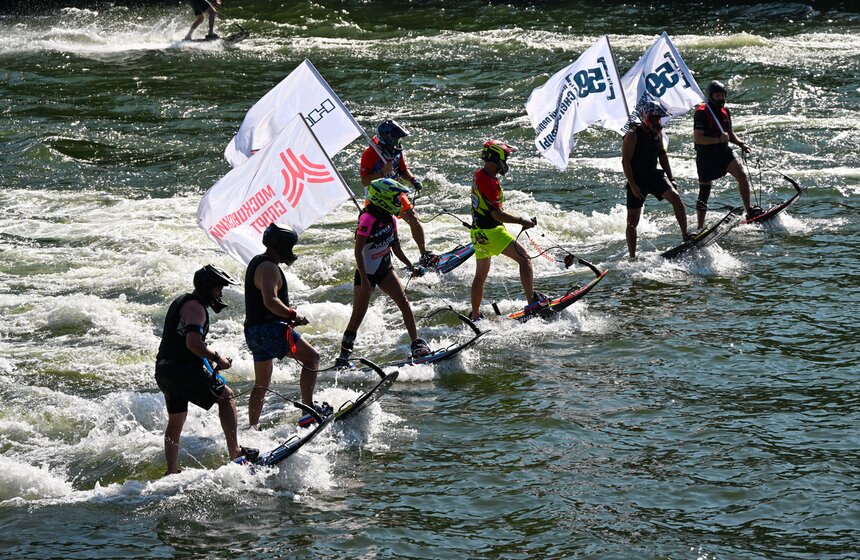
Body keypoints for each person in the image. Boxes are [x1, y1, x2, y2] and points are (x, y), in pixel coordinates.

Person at [155, 264, 255, 475]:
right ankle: (236, 453)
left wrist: (210, 363)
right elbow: (194, 344)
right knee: (226, 396)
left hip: (165, 369)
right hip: (181, 369)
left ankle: (171, 470)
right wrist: (218, 357)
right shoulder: (196, 308)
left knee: (176, 420)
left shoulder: (183, 301)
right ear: (207, 288)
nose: (220, 293)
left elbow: (186, 343)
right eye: (218, 288)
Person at [335, 178, 432, 367]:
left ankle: (416, 343)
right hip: (367, 273)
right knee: (358, 316)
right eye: (396, 198)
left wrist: (410, 265)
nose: (399, 202)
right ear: (383, 198)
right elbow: (358, 251)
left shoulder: (391, 218)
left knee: (403, 302)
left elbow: (395, 246)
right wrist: (364, 279)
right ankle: (343, 358)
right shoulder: (367, 219)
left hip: (384, 268)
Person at [244, 223, 323, 428]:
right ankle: (308, 412)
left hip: (253, 332)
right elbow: (270, 301)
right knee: (312, 358)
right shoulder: (269, 267)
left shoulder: (257, 262)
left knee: (261, 384)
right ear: (282, 246)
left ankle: (253, 427)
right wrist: (293, 315)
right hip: (269, 330)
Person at [468, 139, 547, 321]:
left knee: (480, 275)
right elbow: (497, 215)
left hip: (478, 233)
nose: (507, 162)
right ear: (497, 158)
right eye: (506, 157)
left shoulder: (479, 175)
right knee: (525, 259)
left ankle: (476, 314)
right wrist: (521, 221)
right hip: (491, 232)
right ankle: (532, 303)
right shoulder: (489, 182)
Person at [360, 119, 437, 267]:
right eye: (395, 138)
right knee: (383, 230)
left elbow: (402, 170)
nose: (398, 141)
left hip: (395, 192)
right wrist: (383, 173)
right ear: (387, 138)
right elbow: (364, 181)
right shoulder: (370, 153)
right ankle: (382, 261)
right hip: (377, 197)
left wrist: (413, 180)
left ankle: (424, 254)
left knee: (413, 219)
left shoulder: (396, 149)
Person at [622, 102, 690, 258]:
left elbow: (662, 156)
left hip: (654, 175)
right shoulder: (632, 135)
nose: (657, 121)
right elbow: (625, 162)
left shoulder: (657, 133)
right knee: (632, 221)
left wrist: (671, 178)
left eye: (658, 118)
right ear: (646, 117)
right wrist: (632, 185)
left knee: (677, 199)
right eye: (654, 118)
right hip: (637, 180)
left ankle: (686, 235)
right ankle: (632, 256)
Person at [693, 80, 763, 228]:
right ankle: (700, 227)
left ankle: (749, 210)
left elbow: (729, 134)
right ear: (711, 96)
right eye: (717, 95)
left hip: (724, 153)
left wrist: (741, 144)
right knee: (704, 191)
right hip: (706, 156)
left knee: (742, 175)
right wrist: (718, 139)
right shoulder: (701, 112)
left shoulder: (725, 112)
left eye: (722, 95)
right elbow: (698, 138)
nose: (721, 98)